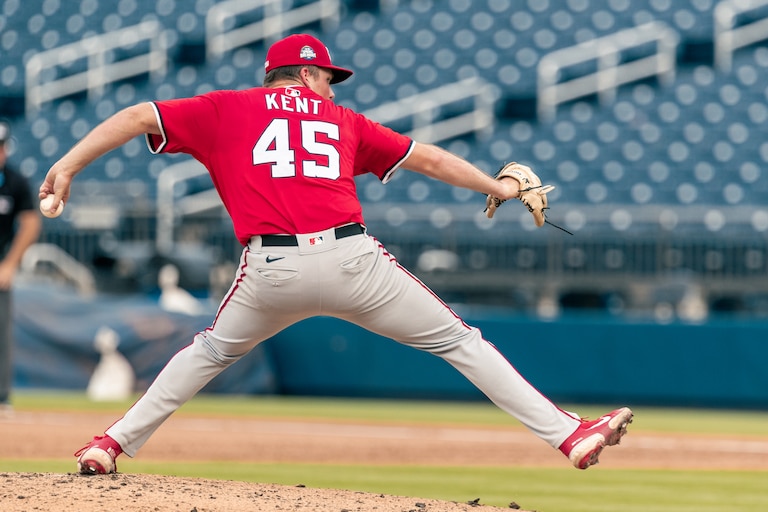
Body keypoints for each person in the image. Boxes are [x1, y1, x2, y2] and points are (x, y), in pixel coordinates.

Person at [40, 34, 632, 473]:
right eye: (326, 76)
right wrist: (497, 187)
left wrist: (67, 166)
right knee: (460, 343)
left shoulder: (226, 106)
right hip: (352, 260)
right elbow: (426, 157)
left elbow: (140, 115)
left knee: (208, 352)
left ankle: (110, 445)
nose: (332, 86)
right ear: (302, 73)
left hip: (270, 268)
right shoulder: (342, 120)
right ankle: (568, 436)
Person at [0, 121, 42, 415]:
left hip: (0, 264)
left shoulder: (15, 181)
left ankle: (1, 396)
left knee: (1, 331)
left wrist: (10, 264)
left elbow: (30, 222)